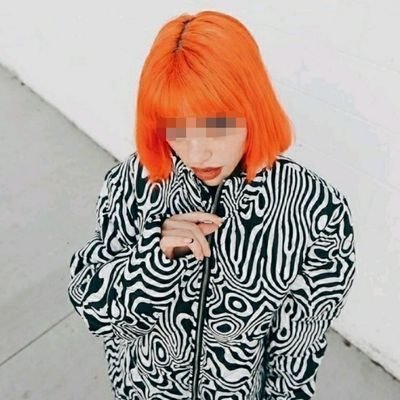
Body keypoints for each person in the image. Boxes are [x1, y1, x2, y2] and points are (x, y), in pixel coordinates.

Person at [68, 10, 356, 400]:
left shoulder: (314, 209)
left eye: (216, 125)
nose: (197, 152)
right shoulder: (135, 182)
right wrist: (152, 263)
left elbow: (298, 348)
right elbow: (94, 311)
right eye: (177, 129)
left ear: (251, 106)